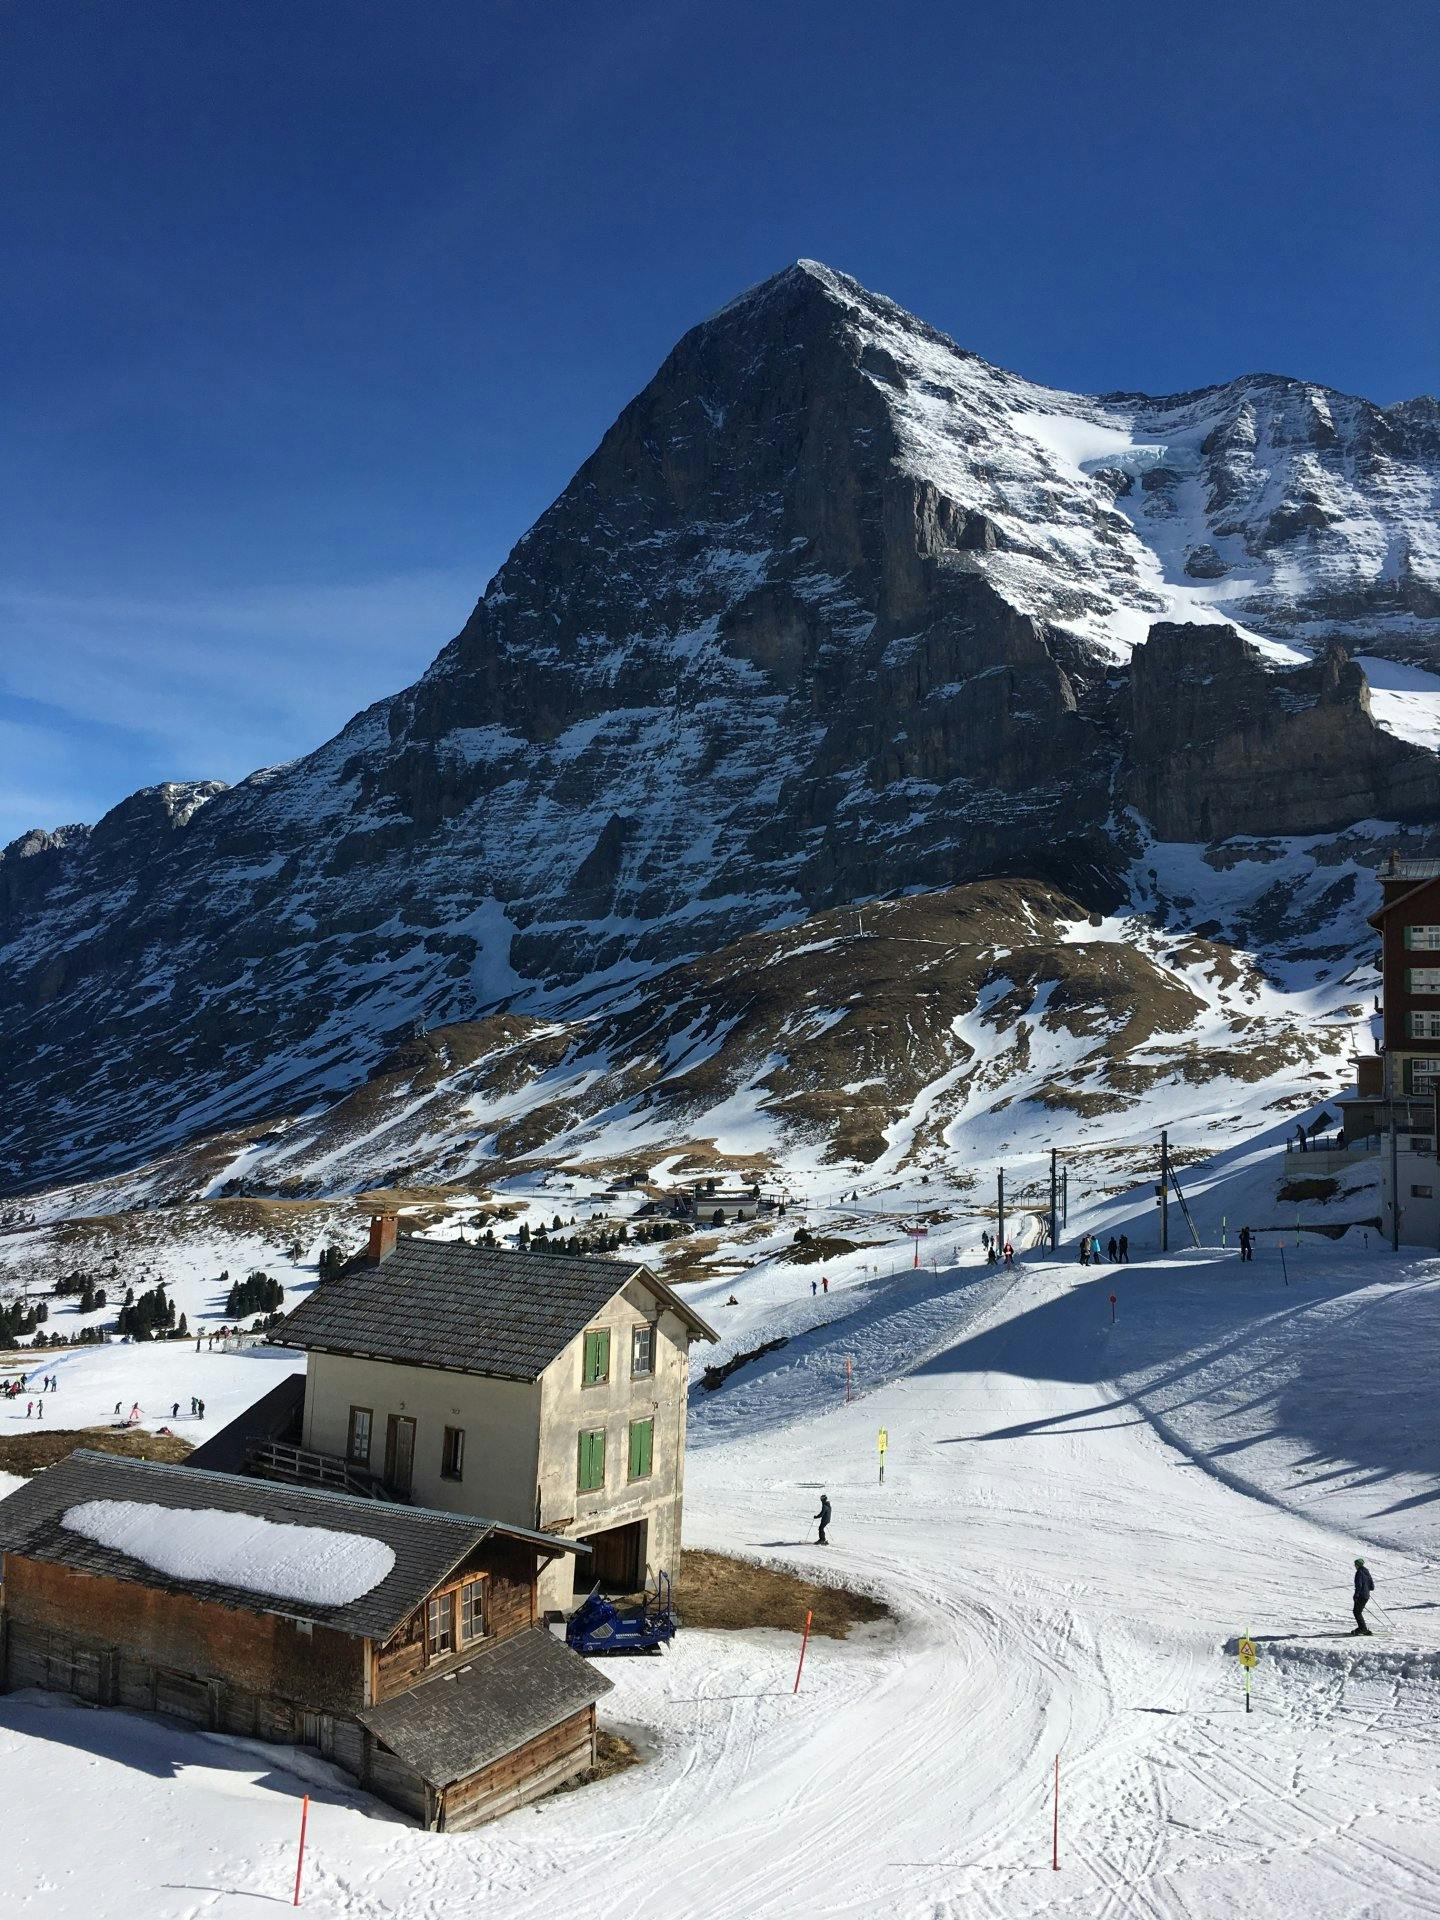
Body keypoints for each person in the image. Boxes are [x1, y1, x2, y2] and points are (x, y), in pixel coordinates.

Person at [1352, 1558, 1375, 1635]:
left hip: (1361, 1595)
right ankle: (1363, 1628)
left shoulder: (1359, 1572)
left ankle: (1362, 1628)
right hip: (1366, 1595)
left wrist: (1356, 1595)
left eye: (1355, 1564)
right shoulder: (1366, 1572)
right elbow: (1372, 1586)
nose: (1355, 1566)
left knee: (1357, 1612)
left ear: (1358, 1565)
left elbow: (1359, 1585)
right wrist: (1366, 1589)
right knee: (1358, 1612)